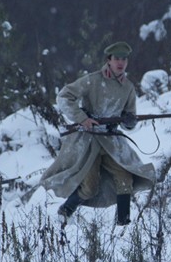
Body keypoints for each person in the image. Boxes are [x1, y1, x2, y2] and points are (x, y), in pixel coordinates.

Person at [40, 41, 156, 226]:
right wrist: (82, 118)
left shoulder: (128, 88)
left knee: (126, 179)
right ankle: (65, 211)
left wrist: (129, 121)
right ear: (109, 60)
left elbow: (129, 120)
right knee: (90, 187)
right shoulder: (92, 80)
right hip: (88, 141)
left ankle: (123, 224)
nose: (121, 62)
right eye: (117, 58)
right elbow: (64, 97)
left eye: (124, 59)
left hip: (112, 142)